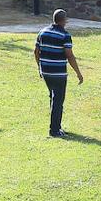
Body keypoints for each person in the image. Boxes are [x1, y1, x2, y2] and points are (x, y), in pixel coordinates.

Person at [34, 9, 83, 138]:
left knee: (53, 97)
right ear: (64, 21)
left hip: (45, 71)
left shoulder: (43, 32)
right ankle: (54, 130)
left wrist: (39, 67)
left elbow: (36, 51)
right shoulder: (65, 35)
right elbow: (69, 55)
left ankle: (56, 126)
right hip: (58, 73)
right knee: (58, 100)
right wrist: (78, 72)